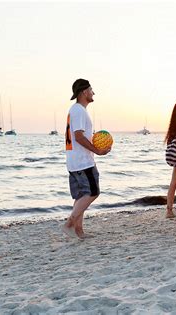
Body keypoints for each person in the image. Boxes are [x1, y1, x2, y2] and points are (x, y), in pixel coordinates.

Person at [63, 79, 110, 239]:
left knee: (81, 196)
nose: (93, 92)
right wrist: (97, 150)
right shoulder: (79, 110)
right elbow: (79, 136)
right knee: (93, 192)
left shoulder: (76, 110)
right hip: (82, 161)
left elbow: (80, 136)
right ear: (84, 92)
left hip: (74, 160)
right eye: (91, 89)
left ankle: (78, 231)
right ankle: (69, 224)